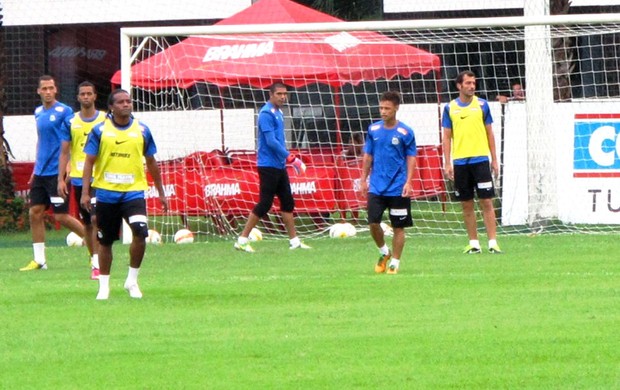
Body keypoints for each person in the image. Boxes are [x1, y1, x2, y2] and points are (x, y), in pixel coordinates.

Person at [81, 89, 168, 300]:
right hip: (107, 193)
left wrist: (161, 191)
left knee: (140, 233)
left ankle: (132, 280)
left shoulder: (143, 130)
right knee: (106, 241)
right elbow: (89, 162)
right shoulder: (100, 131)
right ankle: (104, 285)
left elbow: (152, 162)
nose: (126, 105)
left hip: (133, 193)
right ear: (111, 107)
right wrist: (85, 192)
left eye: (128, 101)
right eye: (120, 102)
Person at [234, 82, 310, 253]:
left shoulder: (279, 112)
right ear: (271, 95)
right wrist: (291, 157)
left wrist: (286, 159)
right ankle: (242, 239)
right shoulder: (266, 113)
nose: (283, 97)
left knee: (288, 201)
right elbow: (271, 142)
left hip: (279, 165)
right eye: (279, 94)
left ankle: (294, 241)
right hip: (268, 165)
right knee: (265, 203)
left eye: (285, 94)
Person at [20, 75, 86, 271]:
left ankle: (96, 246)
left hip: (56, 172)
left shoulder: (64, 111)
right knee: (35, 212)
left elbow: (72, 140)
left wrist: (68, 167)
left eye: (51, 88)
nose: (48, 92)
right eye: (44, 88)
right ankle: (40, 261)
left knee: (61, 216)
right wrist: (35, 168)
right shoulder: (38, 112)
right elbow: (41, 140)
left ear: (55, 90)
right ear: (38, 91)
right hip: (41, 172)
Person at [442, 70, 502, 254]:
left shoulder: (482, 105)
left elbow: (489, 133)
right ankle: (474, 242)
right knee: (466, 203)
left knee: (486, 201)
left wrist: (494, 159)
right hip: (460, 162)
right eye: (468, 83)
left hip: (480, 160)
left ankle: (492, 242)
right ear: (459, 85)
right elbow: (446, 137)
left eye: (473, 83)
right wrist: (447, 162)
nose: (471, 86)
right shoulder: (450, 108)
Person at [359, 91, 417, 275]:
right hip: (377, 186)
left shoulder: (405, 132)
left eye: (387, 108)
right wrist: (363, 179)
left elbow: (411, 158)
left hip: (398, 187)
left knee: (398, 226)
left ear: (396, 109)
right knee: (373, 223)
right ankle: (384, 252)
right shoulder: (373, 130)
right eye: (381, 108)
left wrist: (408, 181)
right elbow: (368, 156)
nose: (383, 112)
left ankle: (395, 262)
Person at [58, 81, 106, 280]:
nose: (86, 97)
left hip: (101, 178)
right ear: (77, 97)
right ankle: (93, 259)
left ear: (95, 96)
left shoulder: (106, 119)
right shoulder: (70, 122)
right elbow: (64, 152)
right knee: (87, 223)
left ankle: (98, 263)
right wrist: (61, 179)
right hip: (78, 179)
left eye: (89, 93)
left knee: (96, 219)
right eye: (82, 94)